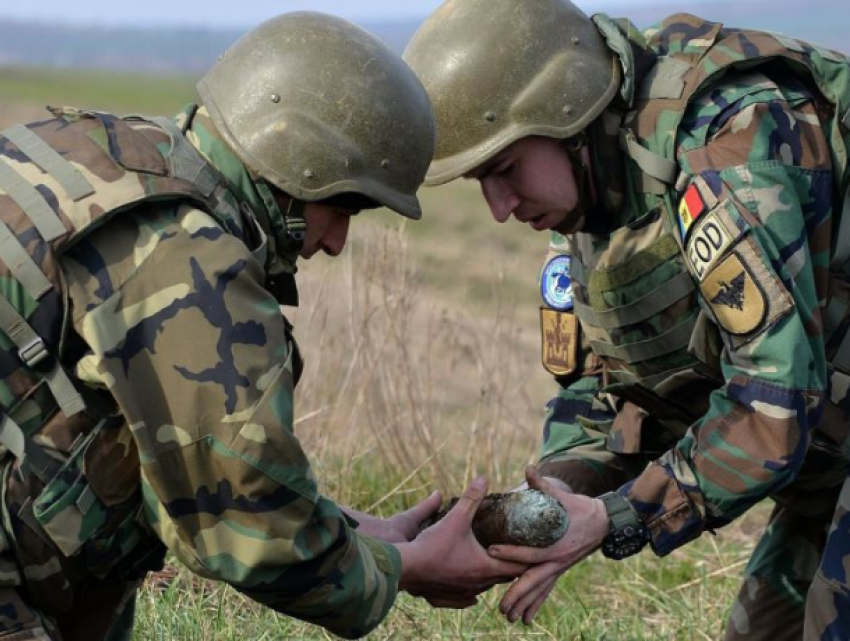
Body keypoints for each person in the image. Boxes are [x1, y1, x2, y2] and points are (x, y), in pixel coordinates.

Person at [0, 12, 526, 641]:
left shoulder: (102, 151)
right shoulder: (189, 264)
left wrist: (344, 530)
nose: (336, 243)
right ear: (297, 165)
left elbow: (177, 462)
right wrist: (399, 570)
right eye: (347, 204)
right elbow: (247, 523)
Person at [403, 0, 850, 638]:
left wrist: (614, 517)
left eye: (504, 171)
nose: (498, 207)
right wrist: (543, 513)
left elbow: (772, 403)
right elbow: (603, 393)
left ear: (567, 114)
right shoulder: (595, 191)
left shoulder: (730, 144)